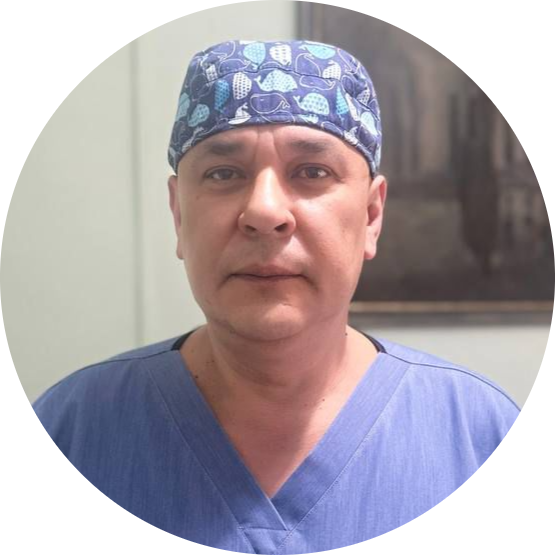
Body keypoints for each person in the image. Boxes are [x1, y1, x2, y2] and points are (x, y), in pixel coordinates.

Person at [32, 39, 520, 551]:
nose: (264, 212)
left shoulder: (476, 435)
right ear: (178, 215)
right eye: (224, 174)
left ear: (371, 215)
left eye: (312, 172)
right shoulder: (74, 428)